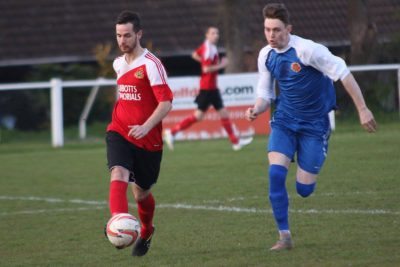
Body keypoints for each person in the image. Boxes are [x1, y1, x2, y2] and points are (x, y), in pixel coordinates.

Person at [245, 3, 377, 251]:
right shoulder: (266, 55)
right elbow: (265, 94)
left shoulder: (308, 50)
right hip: (284, 121)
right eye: (267, 29)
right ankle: (284, 236)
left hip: (314, 126)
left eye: (276, 30)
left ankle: (309, 168)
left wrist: (362, 109)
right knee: (275, 174)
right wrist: (256, 109)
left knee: (304, 189)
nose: (271, 35)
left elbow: (343, 73)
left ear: (289, 29)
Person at [106, 11, 173, 257]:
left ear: (139, 34)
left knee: (141, 192)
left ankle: (146, 230)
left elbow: (166, 103)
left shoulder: (152, 64)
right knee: (119, 172)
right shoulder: (118, 64)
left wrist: (146, 126)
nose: (122, 41)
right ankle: (119, 223)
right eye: (118, 36)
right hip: (120, 130)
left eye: (127, 35)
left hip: (149, 141)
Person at [163, 26, 253, 151]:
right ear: (207, 35)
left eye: (217, 33)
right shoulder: (207, 50)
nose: (216, 35)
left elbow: (195, 55)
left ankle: (235, 142)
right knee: (199, 116)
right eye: (213, 33)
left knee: (219, 114)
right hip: (207, 89)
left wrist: (204, 62)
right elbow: (206, 69)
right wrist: (221, 65)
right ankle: (172, 133)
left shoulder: (209, 48)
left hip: (211, 88)